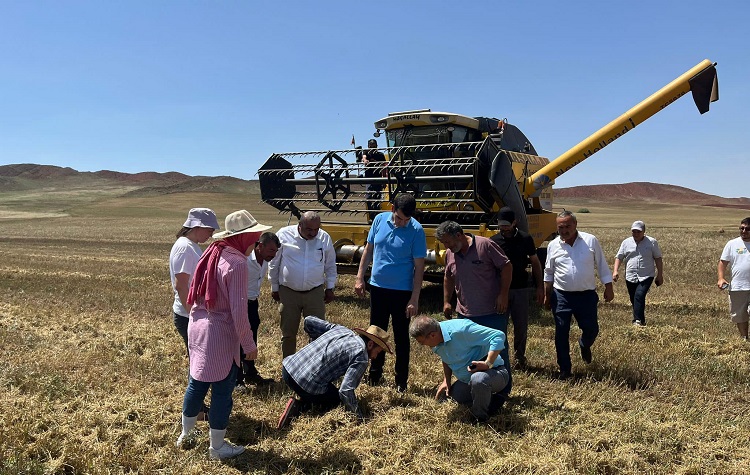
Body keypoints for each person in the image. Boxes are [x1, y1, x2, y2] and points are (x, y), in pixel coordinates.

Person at [176, 210, 271, 460]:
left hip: (197, 326)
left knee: (196, 383)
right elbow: (240, 312)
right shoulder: (238, 263)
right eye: (255, 235)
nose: (258, 240)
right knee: (222, 390)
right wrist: (249, 344)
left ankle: (186, 435)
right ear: (245, 236)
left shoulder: (212, 253)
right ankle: (217, 448)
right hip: (219, 333)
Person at [355, 193, 427, 392]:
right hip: (378, 288)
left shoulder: (417, 230)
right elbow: (368, 251)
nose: (402, 223)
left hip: (402, 292)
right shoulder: (379, 220)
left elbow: (419, 268)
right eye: (399, 218)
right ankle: (374, 374)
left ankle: (400, 381)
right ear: (392, 208)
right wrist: (360, 277)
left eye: (407, 219)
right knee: (375, 334)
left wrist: (414, 298)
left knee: (401, 337)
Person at [436, 220, 513, 396]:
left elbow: (507, 266)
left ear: (459, 235)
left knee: (498, 349)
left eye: (448, 242)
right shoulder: (450, 253)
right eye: (444, 243)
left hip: (491, 311)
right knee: (468, 351)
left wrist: (503, 293)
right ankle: (477, 389)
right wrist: (447, 301)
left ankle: (502, 391)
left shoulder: (485, 245)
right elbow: (448, 277)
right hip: (465, 313)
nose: (446, 246)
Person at [277, 316, 392, 429]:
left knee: (326, 390)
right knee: (336, 401)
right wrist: (359, 417)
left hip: (288, 368)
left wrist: (314, 344)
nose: (376, 357)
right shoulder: (361, 356)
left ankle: (305, 398)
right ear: (370, 344)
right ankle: (299, 407)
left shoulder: (342, 330)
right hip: (305, 383)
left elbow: (308, 321)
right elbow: (345, 391)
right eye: (377, 352)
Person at [544, 210, 614, 379]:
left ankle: (584, 343)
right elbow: (548, 272)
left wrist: (608, 286)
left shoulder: (590, 241)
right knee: (561, 332)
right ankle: (565, 369)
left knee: (592, 329)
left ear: (575, 224)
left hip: (586, 296)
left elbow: (602, 265)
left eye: (568, 226)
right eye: (561, 227)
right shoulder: (553, 245)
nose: (564, 230)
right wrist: (547, 294)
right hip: (561, 296)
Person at [169, 208, 220, 420]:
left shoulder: (191, 246)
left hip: (192, 312)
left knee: (197, 362)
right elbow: (181, 285)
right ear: (197, 226)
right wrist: (193, 315)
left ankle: (197, 406)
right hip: (187, 314)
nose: (211, 234)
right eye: (209, 229)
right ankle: (196, 409)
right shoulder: (185, 248)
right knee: (198, 363)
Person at [409, 315, 509, 422]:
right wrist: (446, 380)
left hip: (495, 372)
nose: (423, 345)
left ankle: (480, 418)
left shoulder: (462, 330)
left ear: (432, 335)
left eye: (422, 342)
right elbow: (446, 357)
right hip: (467, 380)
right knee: (451, 397)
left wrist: (487, 363)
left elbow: (498, 335)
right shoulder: (437, 340)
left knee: (478, 379)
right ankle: (495, 400)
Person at [268, 211, 338, 357]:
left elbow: (330, 265)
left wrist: (330, 287)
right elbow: (274, 263)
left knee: (318, 333)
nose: (313, 233)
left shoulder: (324, 238)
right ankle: (288, 365)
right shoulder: (283, 235)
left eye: (316, 229)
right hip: (288, 292)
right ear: (300, 225)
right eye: (309, 229)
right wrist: (274, 287)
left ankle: (313, 367)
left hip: (315, 291)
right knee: (288, 333)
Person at [490, 207, 545, 368]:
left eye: (507, 224)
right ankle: (501, 357)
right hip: (501, 291)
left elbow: (535, 263)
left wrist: (539, 286)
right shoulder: (494, 241)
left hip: (521, 288)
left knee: (521, 325)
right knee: (500, 326)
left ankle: (520, 357)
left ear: (515, 222)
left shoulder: (525, 238)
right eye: (501, 224)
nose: (504, 227)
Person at [236, 231, 280, 387]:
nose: (273, 255)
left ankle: (250, 373)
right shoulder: (245, 258)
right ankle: (237, 378)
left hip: (253, 303)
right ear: (260, 246)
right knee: (238, 340)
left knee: (252, 337)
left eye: (275, 251)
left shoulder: (265, 259)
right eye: (271, 250)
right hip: (239, 304)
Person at [612, 220, 664, 326]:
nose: (636, 234)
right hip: (630, 275)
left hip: (646, 275)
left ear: (644, 231)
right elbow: (619, 257)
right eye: (634, 231)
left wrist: (660, 275)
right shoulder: (626, 242)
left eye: (638, 232)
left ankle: (637, 321)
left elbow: (658, 258)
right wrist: (615, 271)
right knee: (634, 298)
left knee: (639, 295)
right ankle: (642, 320)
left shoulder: (652, 242)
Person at [717, 217, 750, 340]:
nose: (744, 231)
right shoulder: (732, 244)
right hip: (737, 286)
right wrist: (721, 278)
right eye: (742, 228)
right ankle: (744, 338)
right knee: (739, 315)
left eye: (747, 229)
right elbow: (723, 262)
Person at [360, 138, 386, 218]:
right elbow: (363, 157)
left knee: (377, 198)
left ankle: (377, 216)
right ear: (368, 146)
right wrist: (365, 160)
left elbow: (384, 167)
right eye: (371, 146)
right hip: (369, 179)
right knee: (368, 197)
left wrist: (384, 179)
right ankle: (371, 216)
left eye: (374, 146)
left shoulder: (380, 155)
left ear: (377, 146)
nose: (372, 148)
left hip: (378, 179)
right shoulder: (366, 153)